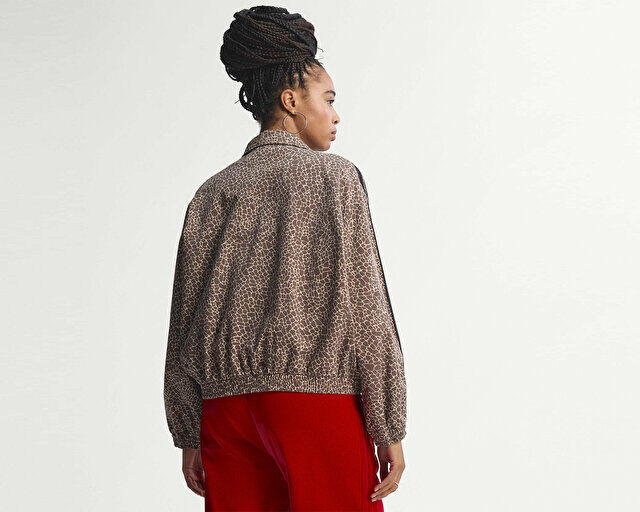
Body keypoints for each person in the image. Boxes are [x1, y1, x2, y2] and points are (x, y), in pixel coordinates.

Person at [163, 5, 407, 510]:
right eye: (329, 99)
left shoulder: (211, 193)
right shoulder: (335, 178)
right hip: (314, 404)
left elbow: (184, 320)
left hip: (225, 412)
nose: (336, 115)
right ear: (291, 100)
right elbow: (365, 307)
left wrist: (189, 431)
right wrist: (388, 423)